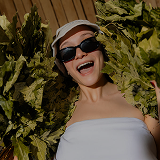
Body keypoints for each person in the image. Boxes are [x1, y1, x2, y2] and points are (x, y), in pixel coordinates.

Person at [14, 20, 160, 160]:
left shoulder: (142, 97)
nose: (79, 54)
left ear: (103, 48)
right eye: (67, 52)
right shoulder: (55, 117)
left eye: (88, 43)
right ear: (64, 68)